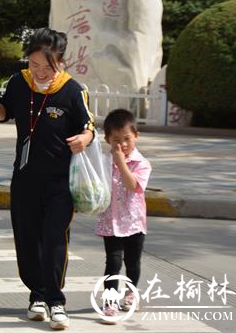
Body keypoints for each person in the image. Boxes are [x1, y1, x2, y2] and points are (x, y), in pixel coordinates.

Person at [0, 28, 95, 330]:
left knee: (53, 238)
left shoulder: (72, 90)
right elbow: (3, 112)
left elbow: (89, 125)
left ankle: (56, 300)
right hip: (24, 179)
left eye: (46, 66)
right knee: (27, 239)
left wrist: (85, 138)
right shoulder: (18, 83)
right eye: (33, 64)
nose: (38, 71)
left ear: (61, 62)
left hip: (60, 183)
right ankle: (36, 295)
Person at [95, 109, 151, 324]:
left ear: (136, 136)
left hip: (134, 223)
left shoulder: (142, 164)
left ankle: (130, 293)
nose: (122, 144)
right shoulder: (103, 162)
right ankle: (110, 301)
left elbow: (132, 185)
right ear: (107, 139)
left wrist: (120, 163)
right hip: (111, 222)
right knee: (113, 262)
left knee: (132, 262)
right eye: (116, 140)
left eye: (127, 139)